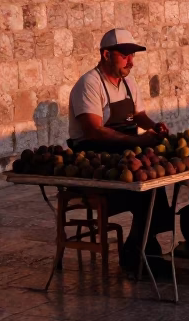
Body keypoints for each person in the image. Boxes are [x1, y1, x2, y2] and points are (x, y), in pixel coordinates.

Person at [68, 28, 172, 276]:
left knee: (155, 180)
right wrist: (135, 139)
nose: (131, 61)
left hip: (123, 150)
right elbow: (93, 131)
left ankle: (143, 244)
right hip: (96, 159)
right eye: (125, 55)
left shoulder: (128, 83)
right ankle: (139, 250)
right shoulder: (89, 84)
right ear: (106, 54)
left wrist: (152, 126)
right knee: (144, 187)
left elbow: (138, 115)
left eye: (132, 56)